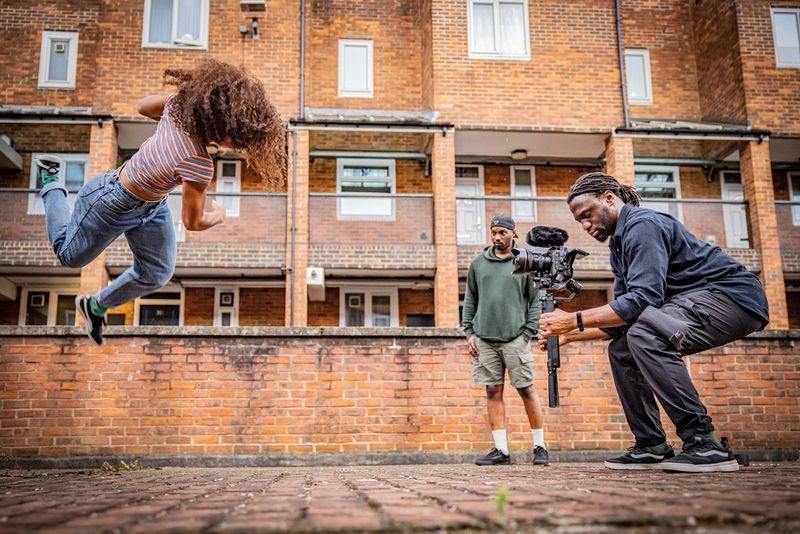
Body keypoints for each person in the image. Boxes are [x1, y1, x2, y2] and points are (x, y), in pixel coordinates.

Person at [36, 59, 285, 345]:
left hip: (151, 207)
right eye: (236, 139)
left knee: (157, 273)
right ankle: (52, 182)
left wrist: (169, 122)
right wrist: (219, 214)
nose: (235, 145)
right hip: (111, 200)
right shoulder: (198, 163)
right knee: (70, 257)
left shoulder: (177, 107)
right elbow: (193, 222)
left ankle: (95, 306)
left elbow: (143, 106)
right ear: (223, 127)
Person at [538, 172, 769, 473]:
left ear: (609, 198)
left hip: (733, 296)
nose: (585, 225)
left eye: (587, 215)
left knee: (646, 335)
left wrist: (572, 320)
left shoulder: (642, 225)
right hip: (700, 301)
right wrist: (570, 335)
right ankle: (652, 445)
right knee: (623, 348)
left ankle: (705, 443)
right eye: (579, 221)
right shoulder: (618, 246)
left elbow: (641, 302)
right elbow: (626, 317)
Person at [462, 214, 548, 466]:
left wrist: (527, 334)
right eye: (494, 232)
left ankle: (540, 446)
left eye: (502, 232)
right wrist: (469, 333)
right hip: (485, 340)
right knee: (492, 391)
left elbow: (535, 301)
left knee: (526, 389)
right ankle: (501, 451)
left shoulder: (524, 263)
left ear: (513, 234)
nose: (497, 237)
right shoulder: (478, 264)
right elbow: (470, 300)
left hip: (516, 338)